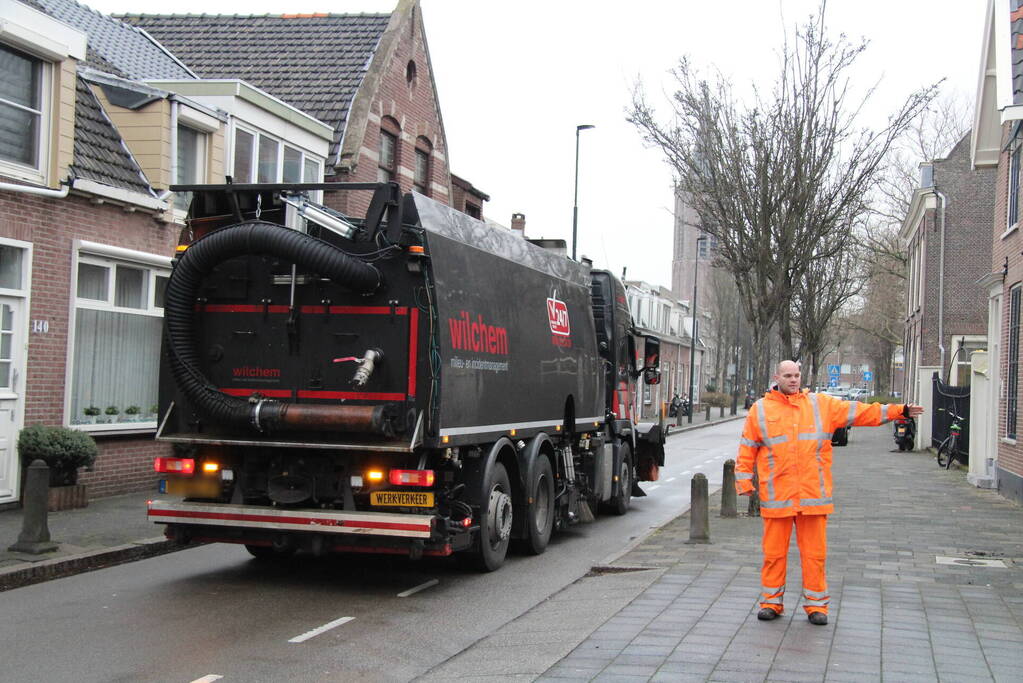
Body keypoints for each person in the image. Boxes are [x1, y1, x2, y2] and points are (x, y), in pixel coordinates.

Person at [735, 360, 923, 626]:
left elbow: (861, 412)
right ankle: (771, 603)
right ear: (777, 377)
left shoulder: (821, 405)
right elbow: (747, 448)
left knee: (814, 556)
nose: (793, 379)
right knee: (773, 554)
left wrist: (899, 411)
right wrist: (743, 482)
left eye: (796, 375)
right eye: (788, 375)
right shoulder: (761, 410)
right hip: (778, 496)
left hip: (812, 497)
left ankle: (816, 606)